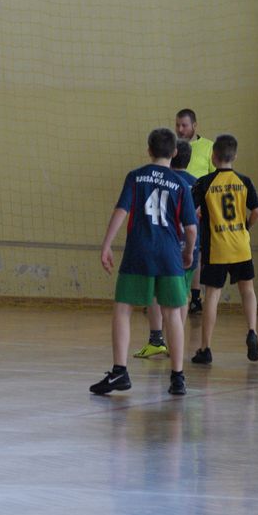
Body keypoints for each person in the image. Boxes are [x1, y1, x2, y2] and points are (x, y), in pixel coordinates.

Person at [89, 127, 197, 396]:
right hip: (169, 254)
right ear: (175, 152)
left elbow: (121, 210)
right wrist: (188, 253)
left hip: (139, 251)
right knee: (173, 313)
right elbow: (191, 228)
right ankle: (178, 377)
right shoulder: (181, 184)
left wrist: (106, 244)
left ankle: (119, 371)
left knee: (123, 308)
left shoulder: (135, 177)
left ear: (149, 150)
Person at [190, 134, 258, 365]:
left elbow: (191, 210)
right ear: (235, 156)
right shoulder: (244, 181)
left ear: (213, 156)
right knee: (247, 291)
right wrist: (246, 226)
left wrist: (199, 215)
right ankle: (252, 331)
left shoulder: (204, 183)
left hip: (217, 247)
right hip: (241, 245)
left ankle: (205, 348)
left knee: (212, 295)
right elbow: (257, 210)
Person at [133, 139, 199, 359]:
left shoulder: (160, 180)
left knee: (155, 293)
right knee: (182, 295)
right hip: (189, 246)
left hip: (164, 246)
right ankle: (174, 342)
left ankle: (156, 340)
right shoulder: (196, 184)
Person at [175, 108, 216, 315]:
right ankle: (164, 293)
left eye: (184, 125)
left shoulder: (208, 147)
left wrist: (204, 206)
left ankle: (195, 297)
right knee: (171, 248)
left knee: (195, 251)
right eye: (178, 125)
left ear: (194, 126)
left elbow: (214, 179)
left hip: (197, 208)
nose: (180, 129)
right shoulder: (172, 146)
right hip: (172, 207)